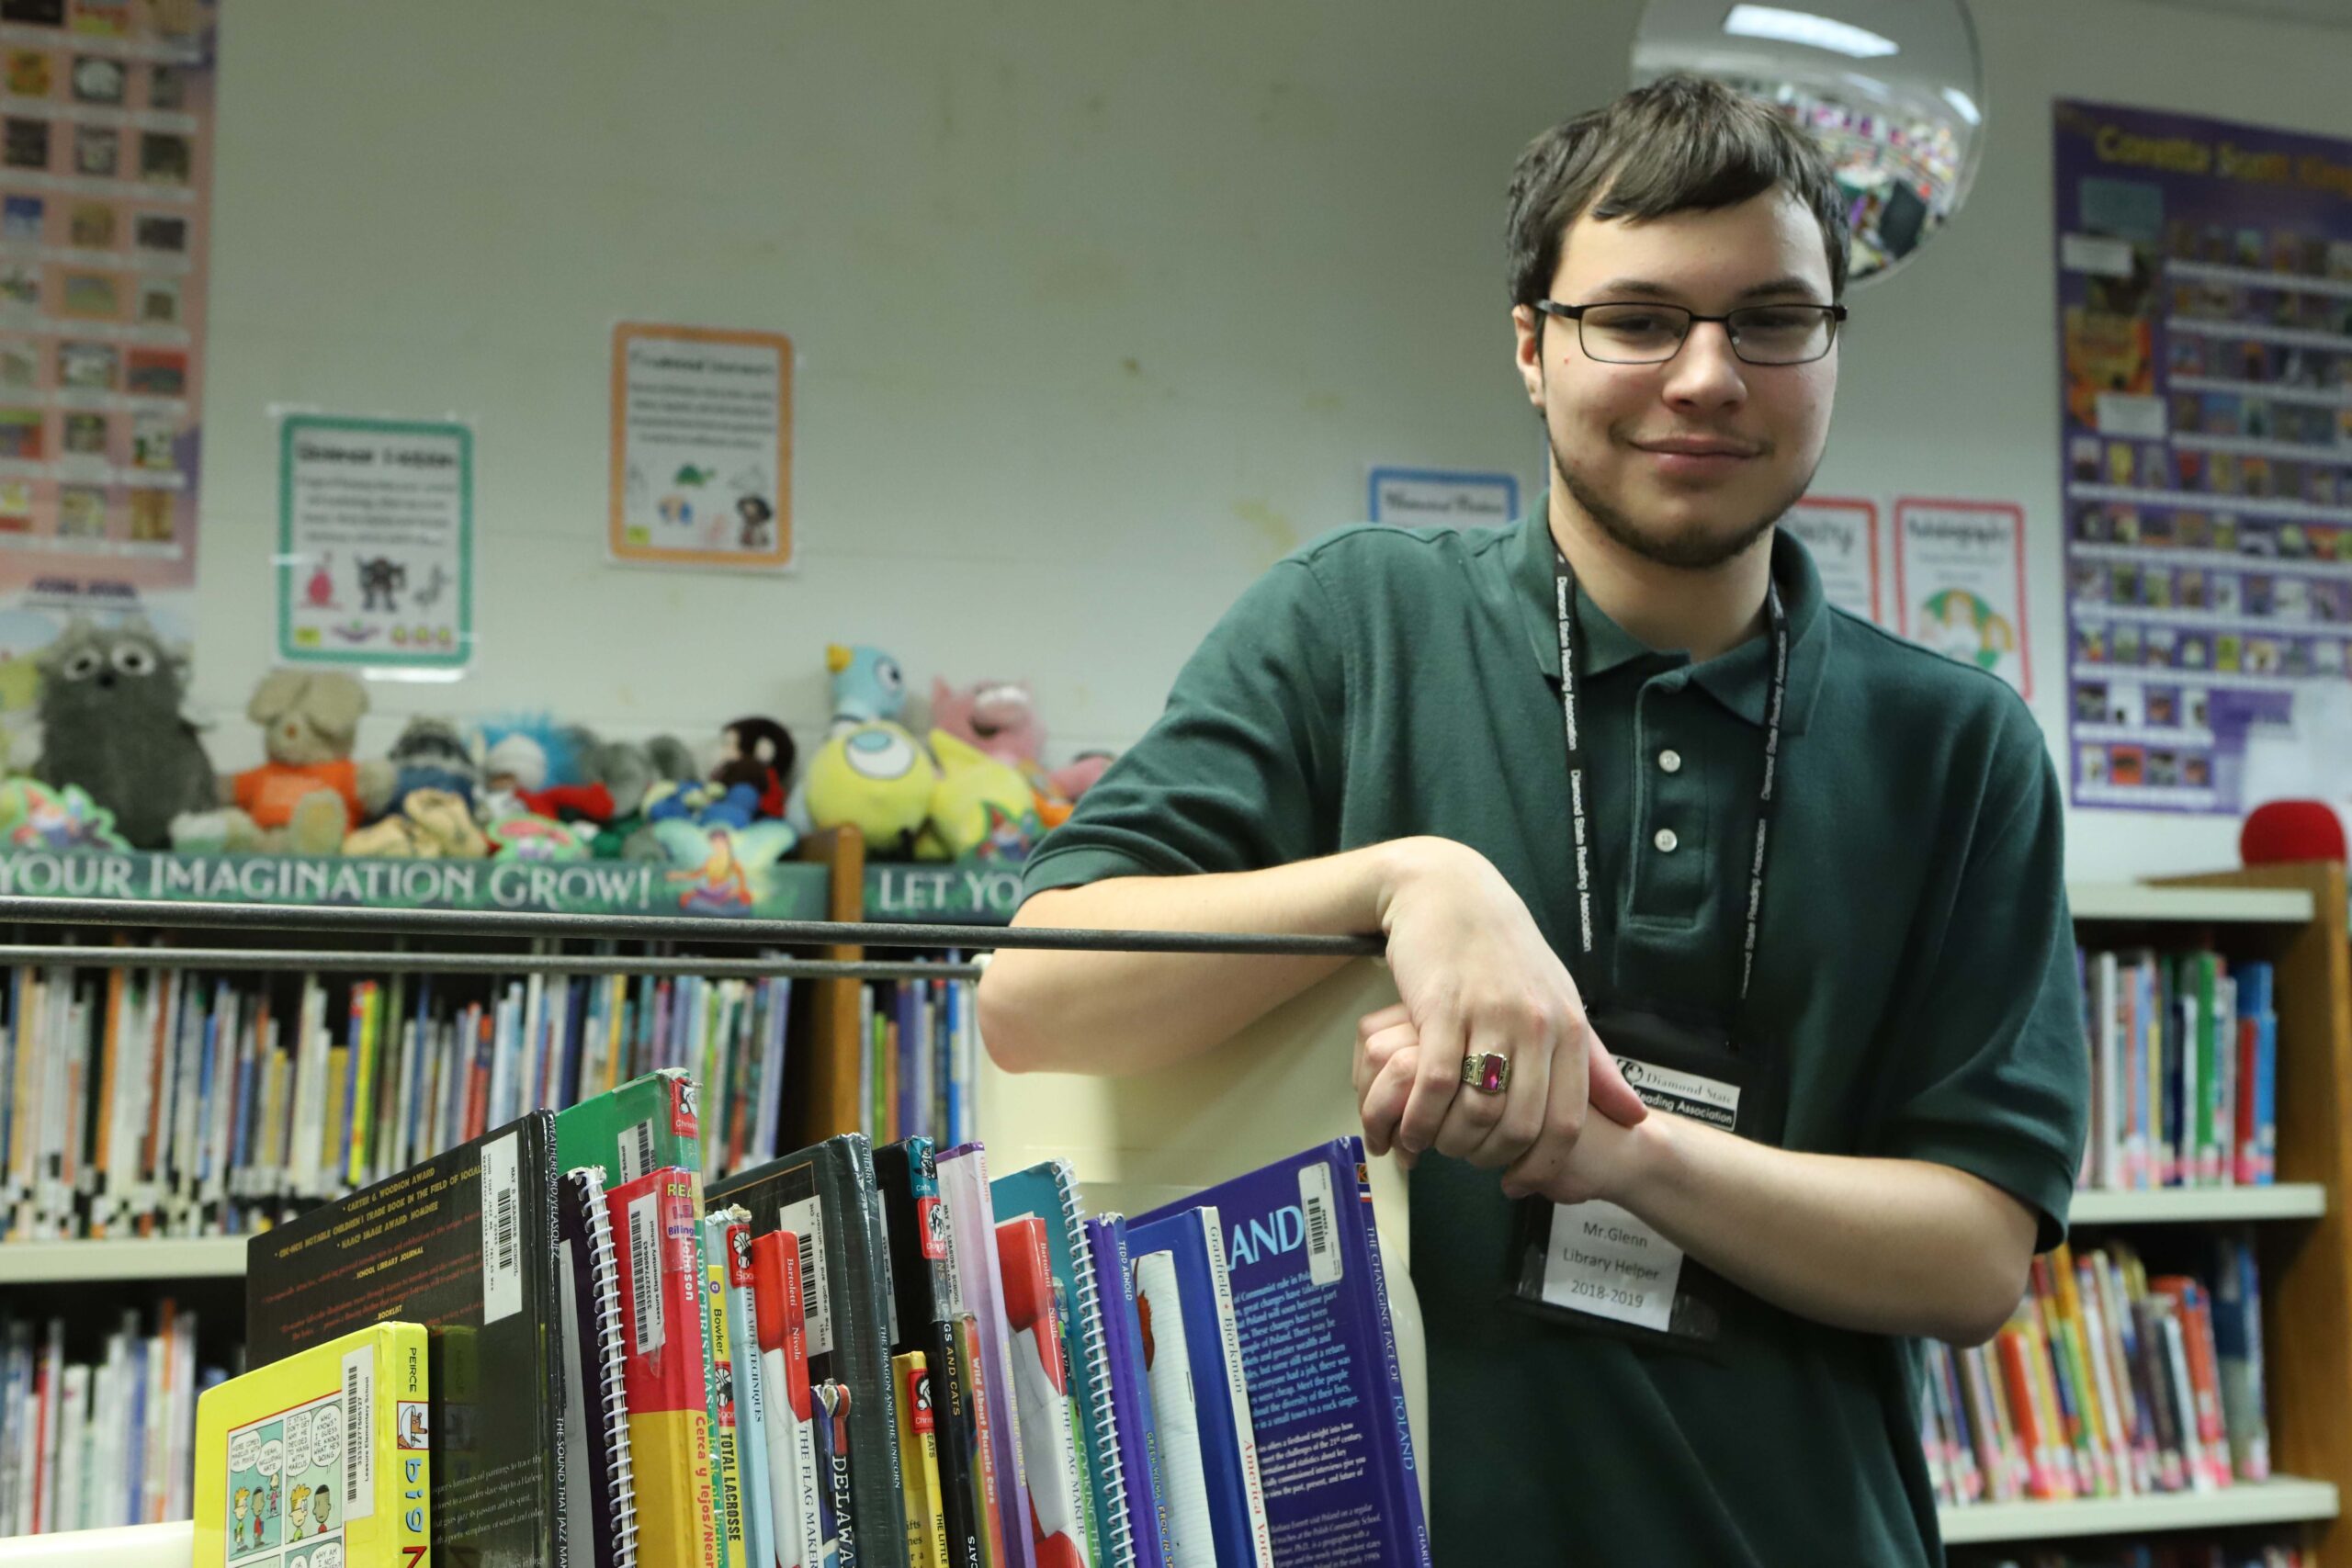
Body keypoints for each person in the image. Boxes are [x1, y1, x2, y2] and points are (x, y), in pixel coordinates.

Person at [977, 74, 2087, 1564]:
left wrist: (1616, 1149)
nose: (1706, 376)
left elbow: (1972, 1257)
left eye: (1771, 319)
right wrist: (1405, 883)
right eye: (1636, 318)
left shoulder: (1960, 747)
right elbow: (1041, 997)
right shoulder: (1353, 627)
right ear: (1531, 346)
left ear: (1830, 345)